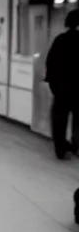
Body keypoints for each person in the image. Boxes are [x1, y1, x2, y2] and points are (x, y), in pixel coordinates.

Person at [45, 9, 79, 159]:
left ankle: (60, 149)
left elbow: (50, 63)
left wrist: (53, 86)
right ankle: (76, 145)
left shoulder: (60, 40)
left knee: (59, 119)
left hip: (61, 90)